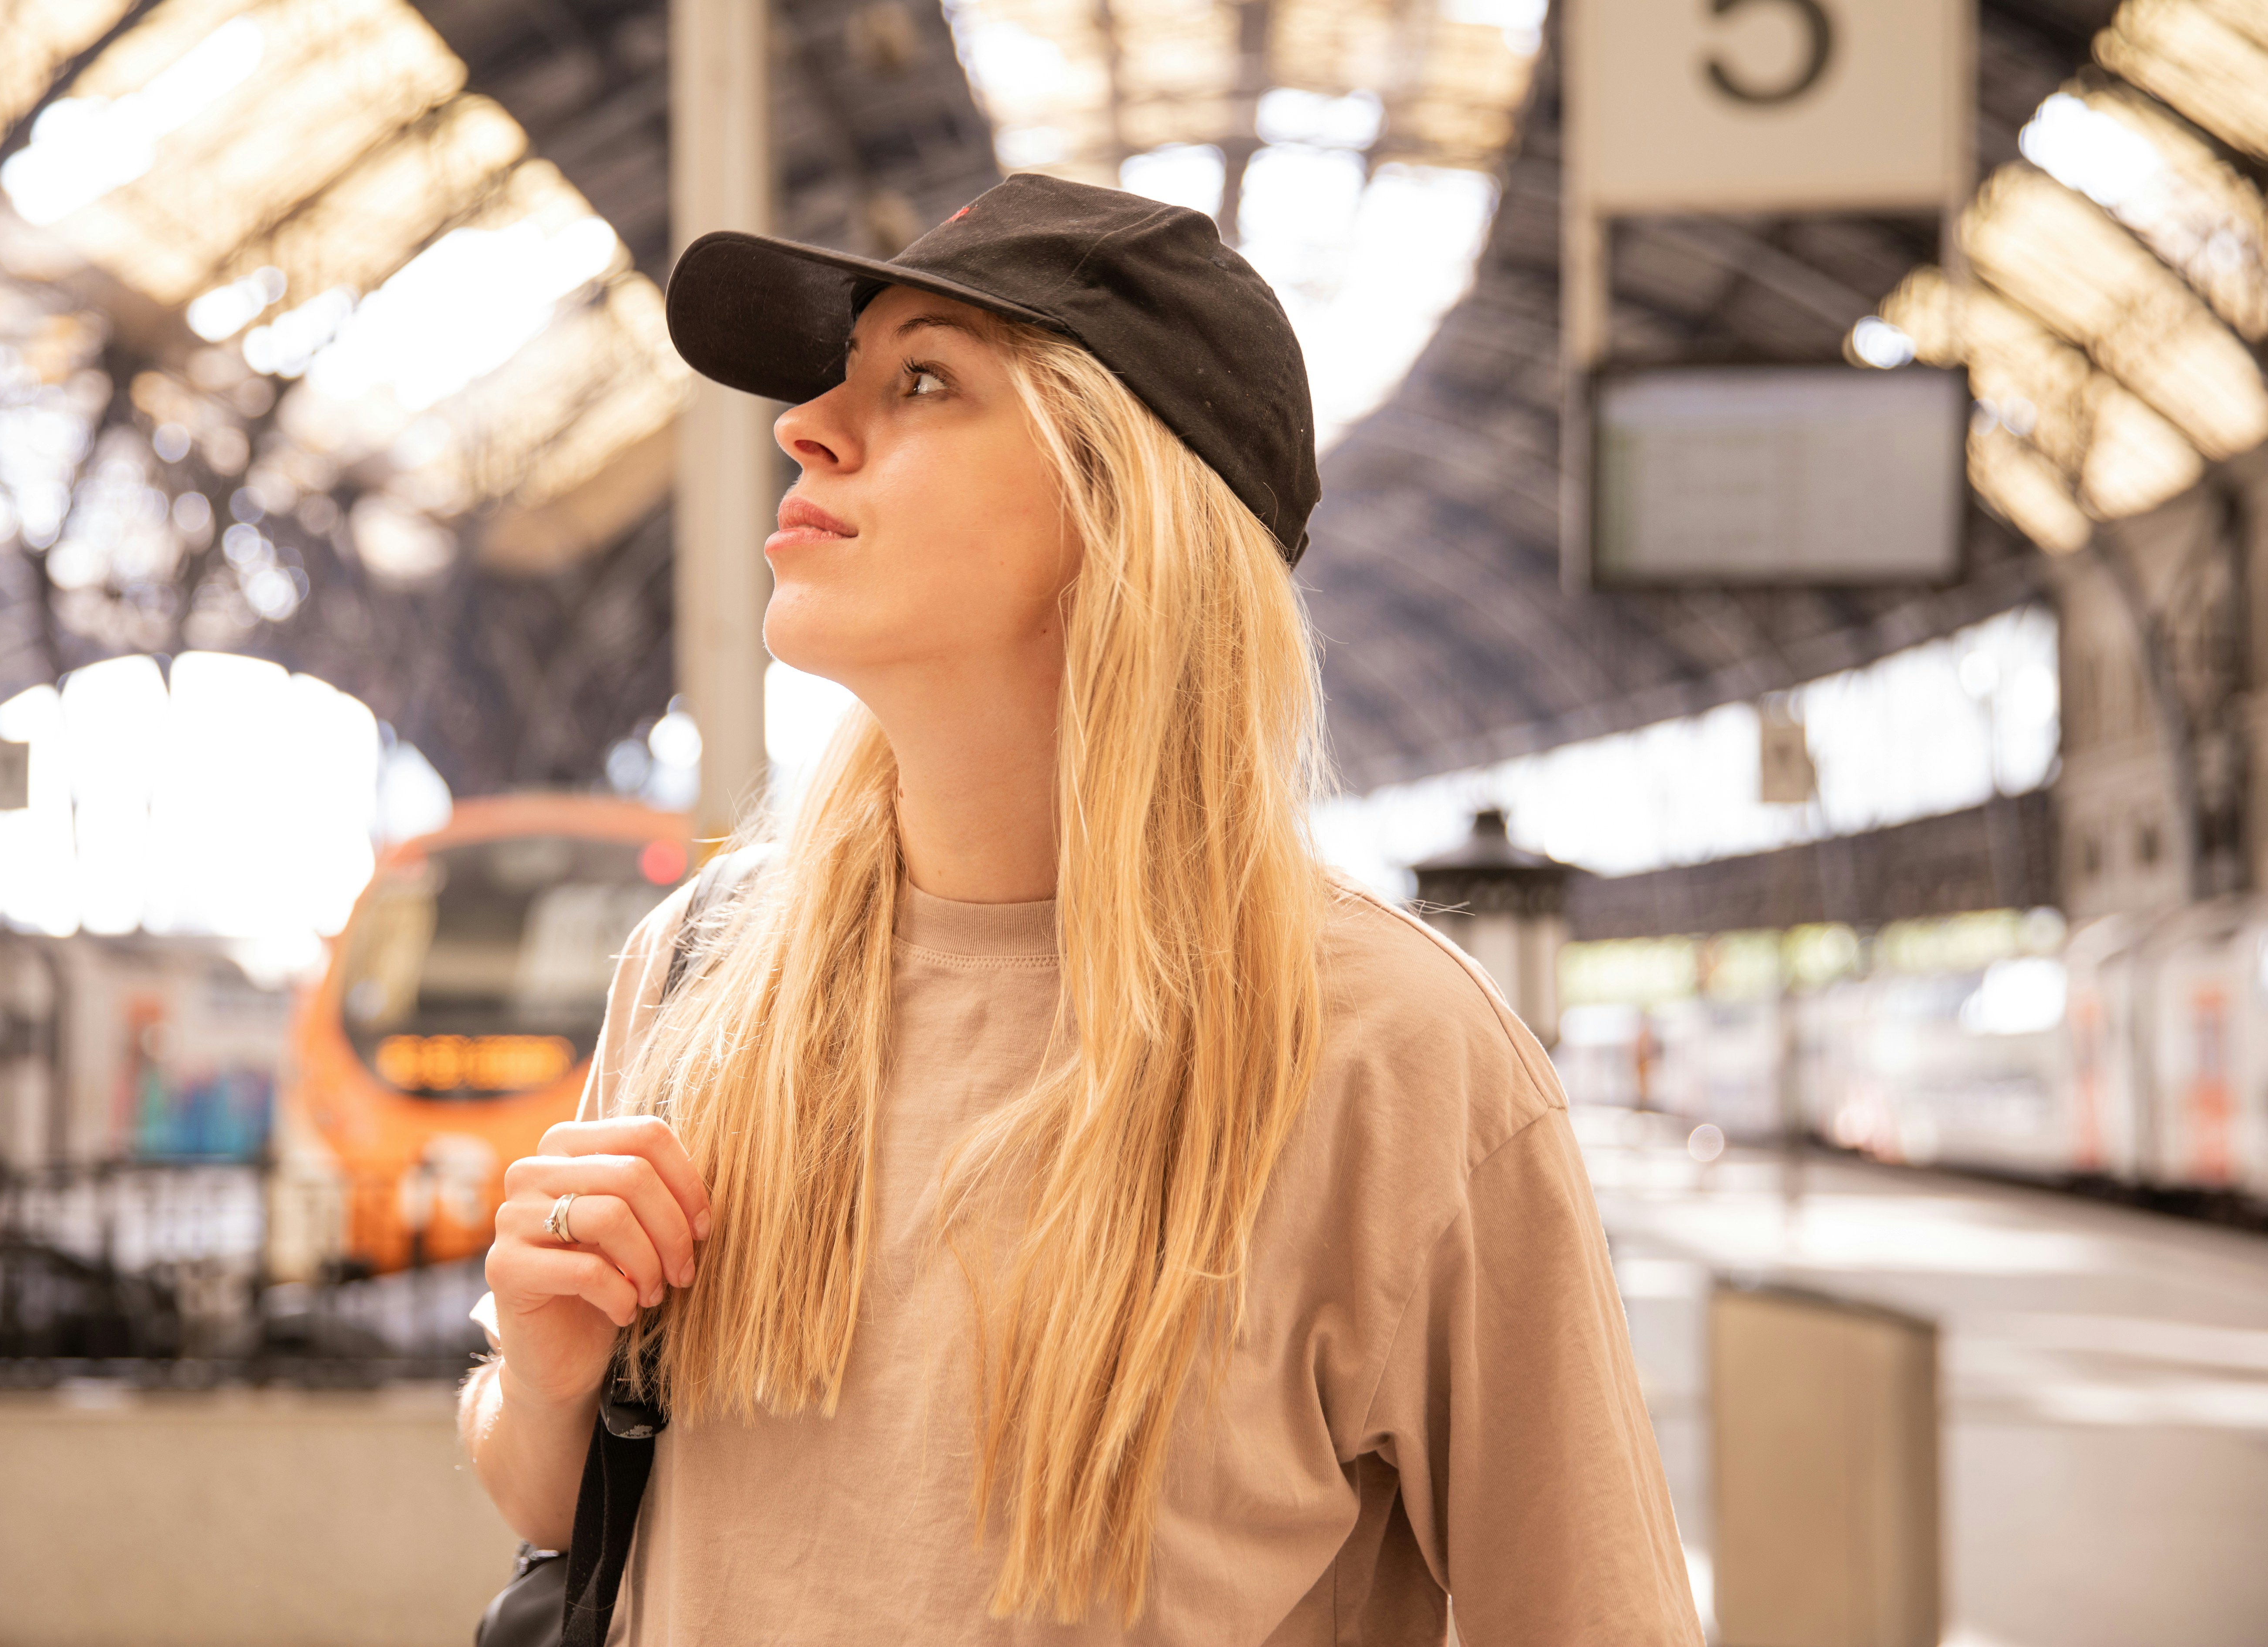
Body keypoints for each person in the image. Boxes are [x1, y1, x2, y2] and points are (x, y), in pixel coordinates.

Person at [458, 174, 1701, 1645]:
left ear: (1125, 503)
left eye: (922, 379)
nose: (805, 426)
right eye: (837, 382)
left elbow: (1584, 1615)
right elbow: (566, 1515)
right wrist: (543, 1370)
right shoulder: (707, 967)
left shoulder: (1389, 1055)